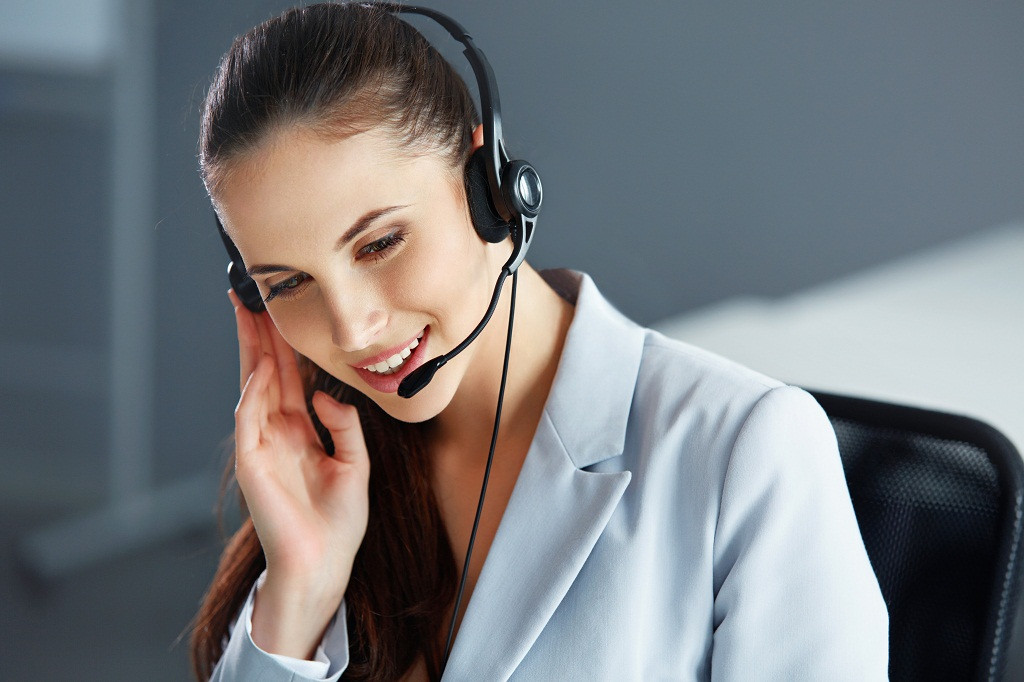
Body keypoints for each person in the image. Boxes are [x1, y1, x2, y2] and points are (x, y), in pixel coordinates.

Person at [190, 3, 888, 681]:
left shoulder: (745, 452)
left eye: (380, 244)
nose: (351, 328)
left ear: (490, 186)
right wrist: (301, 588)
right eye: (287, 285)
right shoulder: (317, 472)